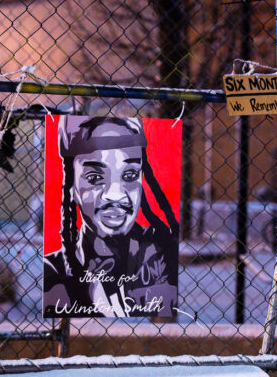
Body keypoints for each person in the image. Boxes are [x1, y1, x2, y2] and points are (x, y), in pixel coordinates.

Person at [43, 116, 178, 318]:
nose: (115, 195)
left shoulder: (162, 254)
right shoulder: (54, 273)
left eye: (130, 175)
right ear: (72, 186)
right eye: (95, 178)